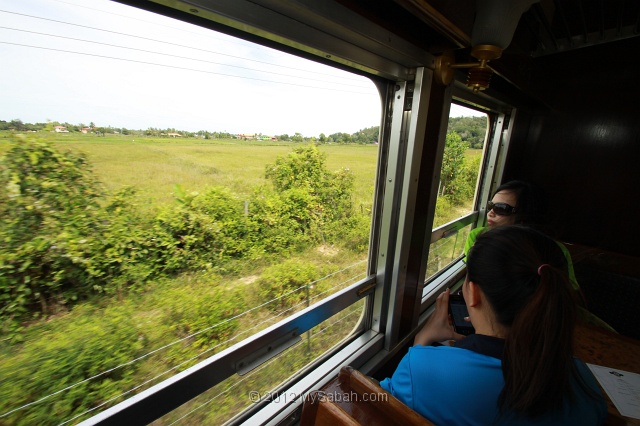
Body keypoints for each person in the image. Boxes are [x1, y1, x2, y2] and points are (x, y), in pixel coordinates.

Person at [380, 226, 607, 425]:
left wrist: (421, 342)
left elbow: (376, 401)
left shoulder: (421, 369)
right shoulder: (584, 382)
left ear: (473, 294)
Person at [464, 180, 579, 291]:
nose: (490, 213)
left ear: (524, 215)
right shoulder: (477, 235)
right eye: (491, 205)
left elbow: (567, 291)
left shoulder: (552, 249)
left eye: (501, 208)